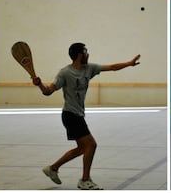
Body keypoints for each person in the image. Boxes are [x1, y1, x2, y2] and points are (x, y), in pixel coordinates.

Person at [32, 43, 140, 189]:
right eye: (86, 52)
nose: (88, 54)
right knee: (91, 144)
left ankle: (53, 168)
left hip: (78, 114)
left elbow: (112, 67)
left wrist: (129, 64)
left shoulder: (89, 69)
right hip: (70, 115)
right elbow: (48, 92)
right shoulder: (64, 73)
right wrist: (39, 84)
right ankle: (85, 180)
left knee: (83, 148)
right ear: (79, 55)